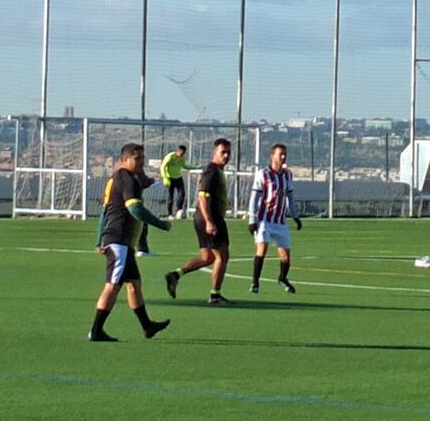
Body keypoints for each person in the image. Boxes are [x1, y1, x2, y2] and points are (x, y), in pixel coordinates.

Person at [90, 141, 170, 342]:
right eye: (137, 158)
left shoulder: (117, 178)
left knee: (134, 284)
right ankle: (96, 330)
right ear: (124, 160)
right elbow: (134, 208)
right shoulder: (127, 179)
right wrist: (161, 224)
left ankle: (147, 326)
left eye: (143, 158)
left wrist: (100, 239)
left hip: (120, 242)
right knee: (113, 286)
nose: (141, 162)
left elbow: (104, 210)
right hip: (119, 241)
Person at [166, 137, 235, 304]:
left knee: (207, 258)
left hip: (203, 218)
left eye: (228, 153)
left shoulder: (216, 170)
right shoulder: (211, 171)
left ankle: (175, 275)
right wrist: (210, 221)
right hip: (210, 218)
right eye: (222, 152)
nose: (226, 156)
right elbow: (203, 198)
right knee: (222, 256)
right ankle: (215, 295)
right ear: (215, 152)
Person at [250, 142, 299, 294]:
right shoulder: (263, 174)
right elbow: (254, 197)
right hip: (264, 219)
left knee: (285, 256)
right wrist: (252, 220)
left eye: (285, 154)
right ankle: (255, 282)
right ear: (272, 156)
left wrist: (295, 215)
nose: (283, 157)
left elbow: (290, 196)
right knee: (262, 249)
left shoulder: (288, 175)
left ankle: (282, 278)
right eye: (280, 154)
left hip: (280, 221)